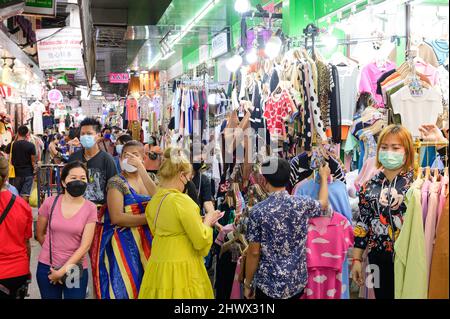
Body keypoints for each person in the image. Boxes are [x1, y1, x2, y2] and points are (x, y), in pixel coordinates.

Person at [138, 148, 223, 299]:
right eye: (188, 177)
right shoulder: (181, 201)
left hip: (158, 266)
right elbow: (200, 239)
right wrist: (208, 221)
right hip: (183, 268)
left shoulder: (155, 200)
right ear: (182, 175)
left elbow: (166, 227)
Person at [244, 158, 331, 300]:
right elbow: (324, 204)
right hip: (296, 281)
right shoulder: (301, 203)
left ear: (265, 181)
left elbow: (254, 252)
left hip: (268, 284)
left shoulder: (257, 211)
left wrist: (248, 284)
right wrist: (323, 178)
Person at [352, 125, 415, 299]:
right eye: (384, 147)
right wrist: (357, 259)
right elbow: (362, 223)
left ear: (407, 151)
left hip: (408, 257)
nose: (389, 152)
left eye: (395, 148)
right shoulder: (368, 186)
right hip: (376, 258)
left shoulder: (416, 185)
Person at [91, 141, 157, 299]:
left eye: (135, 155)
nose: (131, 159)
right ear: (120, 159)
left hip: (150, 241)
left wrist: (142, 171)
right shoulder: (116, 182)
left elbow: (160, 200)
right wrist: (150, 219)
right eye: (126, 156)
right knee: (126, 286)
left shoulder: (151, 178)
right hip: (124, 243)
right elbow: (117, 217)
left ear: (143, 158)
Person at [35, 161, 97, 299]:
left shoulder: (91, 208)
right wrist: (52, 254)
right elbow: (39, 233)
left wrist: (62, 271)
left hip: (74, 269)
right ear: (63, 182)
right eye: (73, 178)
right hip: (48, 267)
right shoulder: (50, 202)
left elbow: (85, 246)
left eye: (83, 178)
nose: (79, 182)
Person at [0, 156, 32, 299]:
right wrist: (27, 270)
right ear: (7, 176)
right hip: (18, 272)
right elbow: (26, 243)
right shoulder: (22, 205)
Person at [68, 118, 117, 206]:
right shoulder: (74, 158)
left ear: (98, 136)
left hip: (99, 210)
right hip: (76, 208)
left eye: (89, 134)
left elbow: (113, 188)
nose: (85, 136)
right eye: (82, 134)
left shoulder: (107, 159)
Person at [5, 126, 36, 203]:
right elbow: (33, 162)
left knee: (15, 194)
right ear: (27, 134)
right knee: (25, 194)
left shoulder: (12, 145)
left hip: (15, 174)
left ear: (17, 133)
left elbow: (6, 153)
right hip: (28, 173)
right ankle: (23, 210)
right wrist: (35, 171)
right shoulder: (31, 145)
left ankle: (16, 211)